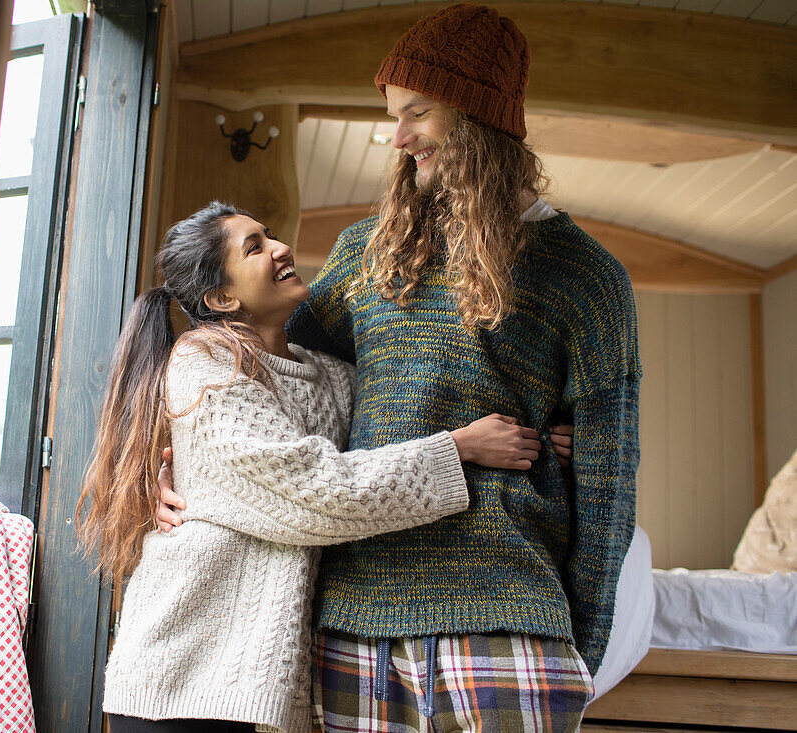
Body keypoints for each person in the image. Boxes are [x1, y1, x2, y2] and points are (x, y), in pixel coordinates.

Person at [157, 5, 640, 731]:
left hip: (507, 620)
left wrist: (585, 647)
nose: (399, 136)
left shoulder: (587, 278)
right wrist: (165, 467)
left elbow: (610, 484)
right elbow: (257, 362)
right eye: (394, 113)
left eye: (418, 112)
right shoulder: (366, 252)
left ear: (478, 118)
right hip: (352, 625)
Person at [76, 202, 565, 733]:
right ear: (221, 297)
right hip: (179, 679)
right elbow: (316, 491)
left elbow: (405, 425)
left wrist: (540, 431)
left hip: (253, 689)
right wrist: (460, 449)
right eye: (254, 247)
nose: (280, 247)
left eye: (270, 235)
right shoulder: (205, 366)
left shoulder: (332, 378)